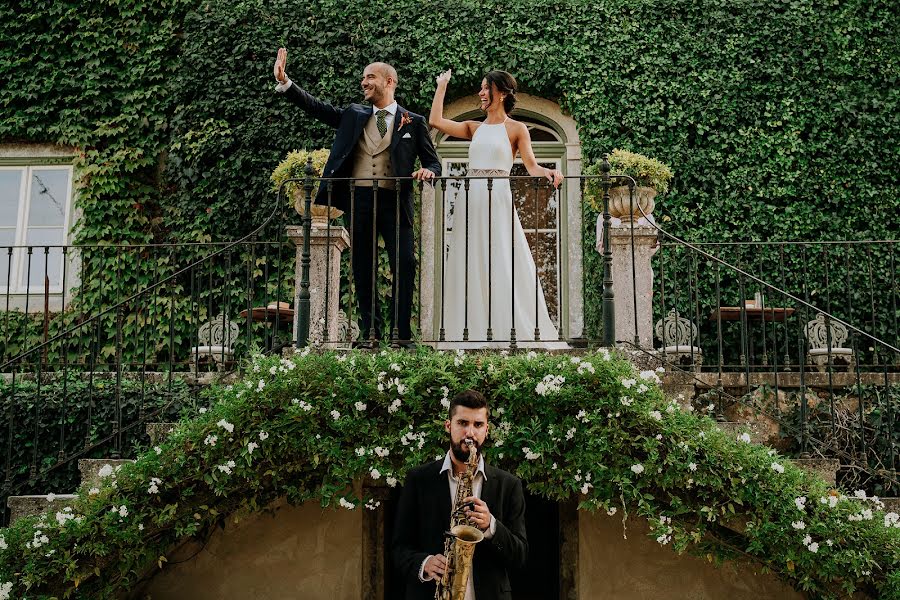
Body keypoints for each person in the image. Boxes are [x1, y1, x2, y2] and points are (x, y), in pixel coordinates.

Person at [273, 49, 442, 346]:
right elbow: (318, 108)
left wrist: (428, 171)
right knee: (364, 267)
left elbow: (433, 162)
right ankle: (370, 333)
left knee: (404, 263)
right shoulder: (354, 115)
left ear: (389, 81)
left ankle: (402, 335)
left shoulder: (412, 122)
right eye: (363, 77)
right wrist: (287, 83)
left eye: (370, 77)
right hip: (359, 199)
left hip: (395, 202)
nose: (363, 82)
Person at [428, 69, 566, 348]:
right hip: (471, 201)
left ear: (501, 93)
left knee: (503, 257)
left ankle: (510, 328)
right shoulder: (473, 128)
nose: (480, 93)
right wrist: (442, 85)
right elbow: (435, 121)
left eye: (485, 88)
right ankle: (470, 332)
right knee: (470, 260)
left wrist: (549, 172)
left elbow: (530, 166)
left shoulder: (517, 129)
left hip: (498, 199)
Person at [392, 390, 527, 600]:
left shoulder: (509, 485)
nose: (470, 433)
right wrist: (424, 563)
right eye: (462, 423)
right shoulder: (419, 479)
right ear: (449, 426)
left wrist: (491, 526)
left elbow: (520, 555)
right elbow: (399, 548)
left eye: (478, 425)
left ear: (487, 430)